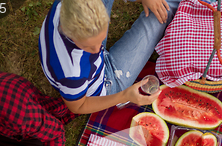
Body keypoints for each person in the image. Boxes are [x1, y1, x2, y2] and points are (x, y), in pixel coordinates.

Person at [39, 0, 181, 114]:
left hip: (85, 64)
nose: (98, 49)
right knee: (166, 8)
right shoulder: (71, 71)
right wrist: (125, 95)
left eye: (101, 40)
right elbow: (78, 107)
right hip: (106, 82)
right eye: (89, 46)